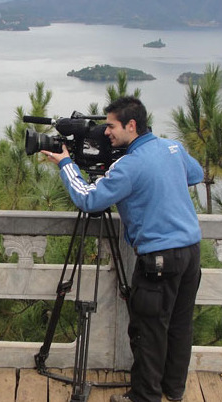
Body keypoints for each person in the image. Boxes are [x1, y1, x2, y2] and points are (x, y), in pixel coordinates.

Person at [42, 96, 204, 402]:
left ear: (131, 125)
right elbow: (194, 175)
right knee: (179, 326)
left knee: (148, 330)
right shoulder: (172, 147)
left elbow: (89, 200)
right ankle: (173, 390)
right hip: (191, 253)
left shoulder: (129, 166)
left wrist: (65, 164)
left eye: (112, 126)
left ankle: (144, 397)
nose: (106, 133)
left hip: (159, 260)